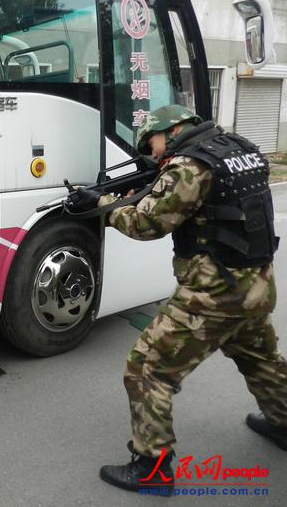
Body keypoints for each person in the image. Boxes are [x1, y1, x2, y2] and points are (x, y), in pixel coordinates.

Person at [68, 104, 287, 496]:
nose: (151, 154)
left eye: (150, 143)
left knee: (147, 370)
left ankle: (151, 469)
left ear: (170, 131)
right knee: (262, 360)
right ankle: (284, 425)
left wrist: (101, 207)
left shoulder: (190, 166)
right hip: (256, 286)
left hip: (212, 295)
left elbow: (146, 224)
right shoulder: (242, 149)